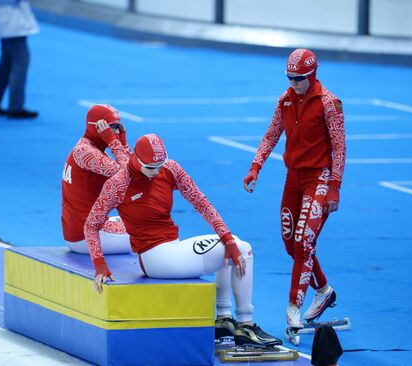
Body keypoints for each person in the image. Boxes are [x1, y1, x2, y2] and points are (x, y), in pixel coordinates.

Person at [84, 134, 282, 347]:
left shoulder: (170, 168)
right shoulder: (119, 184)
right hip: (155, 257)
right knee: (244, 249)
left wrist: (226, 236)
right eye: (152, 168)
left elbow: (201, 202)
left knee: (231, 243)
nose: (158, 171)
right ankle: (246, 325)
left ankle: (224, 320)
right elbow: (91, 225)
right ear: (136, 160)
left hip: (173, 248)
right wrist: (100, 265)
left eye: (161, 165)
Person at [243, 49, 346, 331]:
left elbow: (339, 147)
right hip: (294, 178)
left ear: (312, 75)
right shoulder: (285, 100)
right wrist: (256, 166)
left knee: (303, 242)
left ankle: (293, 307)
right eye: (289, 78)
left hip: (320, 180)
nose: (293, 83)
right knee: (292, 244)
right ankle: (324, 290)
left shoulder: (329, 103)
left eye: (299, 78)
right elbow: (271, 134)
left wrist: (334, 187)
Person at [62, 104, 131, 255]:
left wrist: (122, 143)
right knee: (152, 229)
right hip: (87, 237)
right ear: (97, 127)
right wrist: (117, 144)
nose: (115, 132)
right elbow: (130, 176)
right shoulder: (87, 154)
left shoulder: (86, 148)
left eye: (118, 127)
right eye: (111, 126)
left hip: (77, 232)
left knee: (131, 218)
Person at [0, 0, 39, 119]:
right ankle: (16, 107)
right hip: (7, 17)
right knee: (21, 59)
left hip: (5, 16)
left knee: (7, 60)